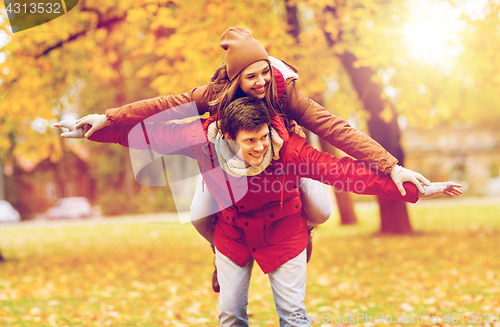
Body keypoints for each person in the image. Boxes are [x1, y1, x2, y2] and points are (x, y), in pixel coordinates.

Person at [61, 26, 431, 290]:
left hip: (288, 160)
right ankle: (220, 253)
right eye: (251, 76)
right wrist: (108, 119)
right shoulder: (214, 95)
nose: (261, 81)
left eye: (264, 72)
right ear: (236, 78)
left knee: (321, 208)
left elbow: (335, 128)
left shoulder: (285, 94)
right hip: (226, 165)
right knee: (196, 217)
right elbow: (163, 107)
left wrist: (391, 166)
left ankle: (305, 235)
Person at [57, 96, 461, 327]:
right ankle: (217, 259)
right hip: (231, 232)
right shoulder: (199, 137)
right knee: (230, 312)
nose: (259, 147)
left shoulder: (288, 149)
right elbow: (146, 134)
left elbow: (346, 173)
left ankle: (310, 233)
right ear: (227, 137)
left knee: (293, 312)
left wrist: (411, 188)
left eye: (263, 137)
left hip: (286, 229)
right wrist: (99, 127)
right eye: (249, 141)